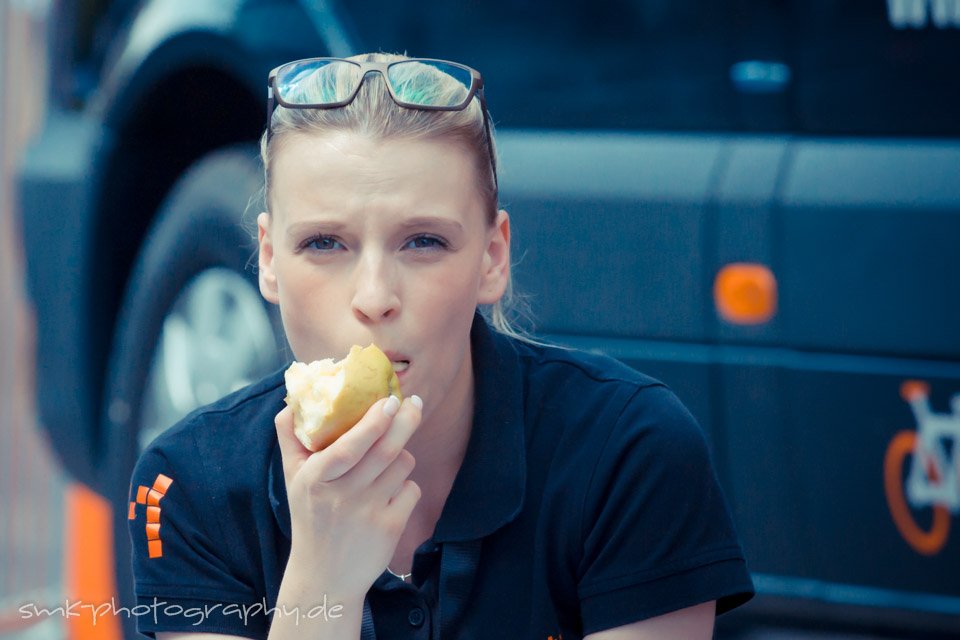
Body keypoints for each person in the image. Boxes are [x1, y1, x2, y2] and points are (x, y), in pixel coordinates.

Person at [127, 52, 754, 640]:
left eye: (423, 241)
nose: (373, 297)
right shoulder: (186, 485)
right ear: (267, 260)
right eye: (324, 243)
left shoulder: (631, 451)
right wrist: (323, 581)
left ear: (492, 256)